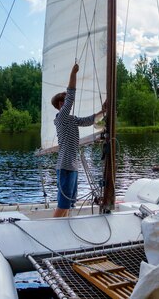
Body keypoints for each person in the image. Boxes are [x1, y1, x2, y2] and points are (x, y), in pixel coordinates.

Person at [51, 62, 105, 217]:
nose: (68, 103)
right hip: (65, 167)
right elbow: (71, 96)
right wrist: (73, 74)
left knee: (68, 204)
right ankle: (50, 230)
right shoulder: (60, 118)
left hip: (72, 167)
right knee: (63, 204)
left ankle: (62, 229)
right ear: (60, 105)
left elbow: (90, 120)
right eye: (65, 101)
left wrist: (104, 111)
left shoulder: (72, 119)